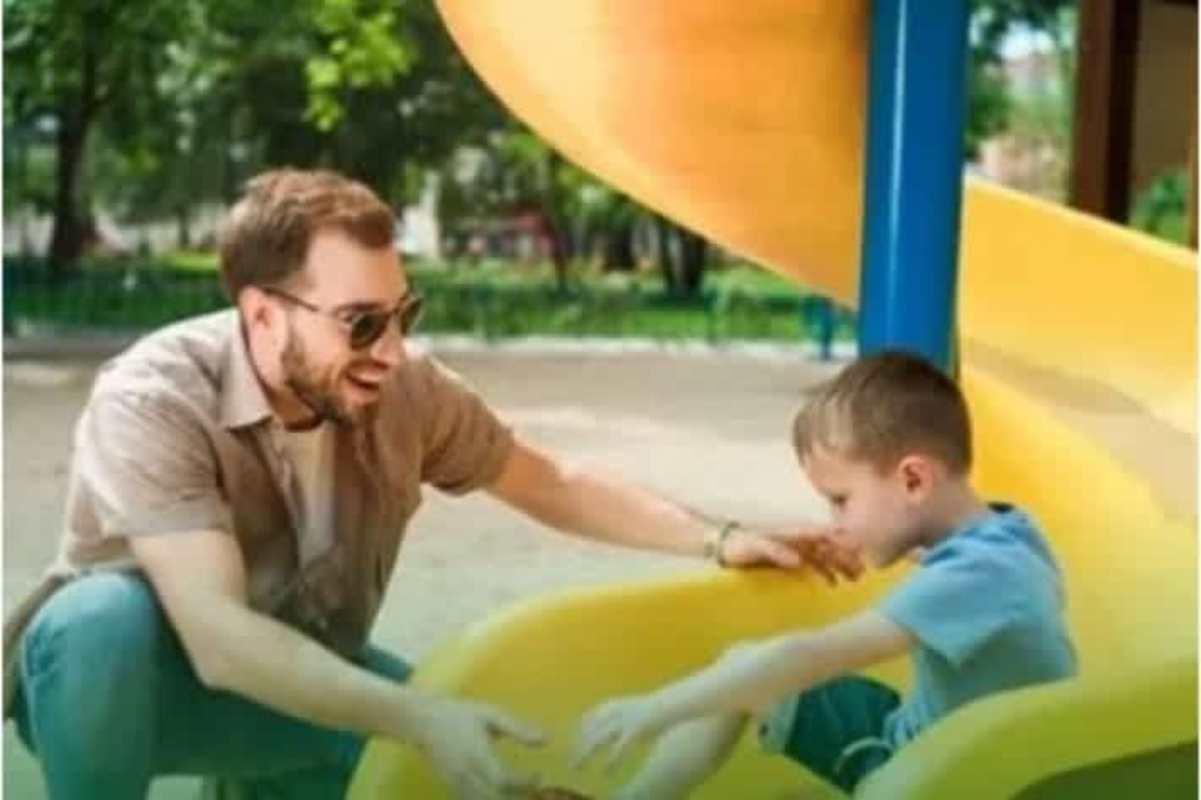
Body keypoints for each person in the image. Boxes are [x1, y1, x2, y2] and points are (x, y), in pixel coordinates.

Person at [2, 169, 861, 800]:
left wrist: (718, 538)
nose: (391, 349)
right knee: (97, 621)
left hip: (308, 668)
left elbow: (550, 481)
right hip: (135, 688)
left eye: (403, 315)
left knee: (487, 768)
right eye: (361, 323)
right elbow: (219, 641)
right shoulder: (153, 397)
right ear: (262, 314)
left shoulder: (401, 390)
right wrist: (411, 717)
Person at [575, 351, 1077, 798]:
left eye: (842, 500)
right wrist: (890, 546)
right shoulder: (1011, 538)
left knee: (770, 678)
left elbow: (805, 657)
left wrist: (654, 709)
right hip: (942, 744)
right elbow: (989, 598)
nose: (836, 520)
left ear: (913, 479)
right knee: (743, 665)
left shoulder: (976, 577)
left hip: (935, 777)